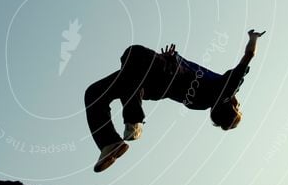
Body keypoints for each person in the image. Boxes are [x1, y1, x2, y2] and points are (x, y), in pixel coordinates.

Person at [84, 29, 266, 172]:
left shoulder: (226, 90)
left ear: (232, 106)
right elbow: (186, 78)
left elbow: (249, 55)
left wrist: (254, 37)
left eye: (238, 106)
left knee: (135, 53)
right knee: (94, 93)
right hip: (152, 84)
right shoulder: (201, 104)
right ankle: (109, 143)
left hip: (162, 73)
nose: (238, 102)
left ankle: (134, 120)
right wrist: (171, 58)